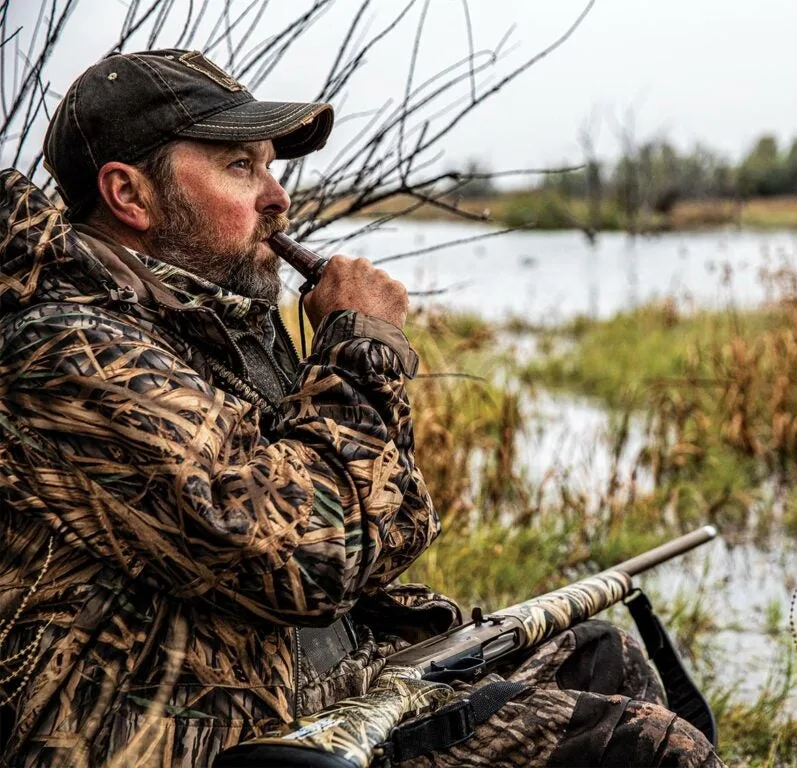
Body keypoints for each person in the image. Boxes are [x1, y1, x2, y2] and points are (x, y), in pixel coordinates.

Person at [0, 50, 722, 767]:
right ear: (130, 195)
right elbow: (310, 556)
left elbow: (392, 531)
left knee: (603, 657)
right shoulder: (68, 350)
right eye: (240, 168)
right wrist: (361, 347)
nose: (277, 197)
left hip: (316, 694)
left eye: (270, 166)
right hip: (210, 742)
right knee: (651, 750)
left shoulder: (211, 330)